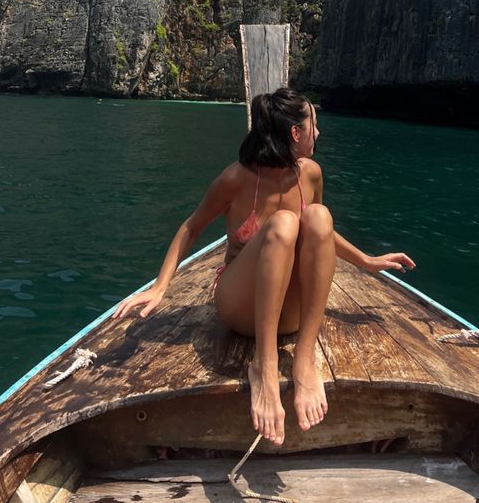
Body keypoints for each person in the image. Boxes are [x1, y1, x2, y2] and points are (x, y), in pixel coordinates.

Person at [112, 88, 415, 446]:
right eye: (313, 125)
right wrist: (161, 287)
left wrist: (366, 261)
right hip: (241, 309)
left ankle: (303, 360)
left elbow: (322, 236)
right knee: (285, 224)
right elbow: (191, 227)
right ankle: (265, 366)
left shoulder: (312, 174)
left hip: (293, 315)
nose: (318, 133)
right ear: (295, 133)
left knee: (317, 216)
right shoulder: (236, 179)